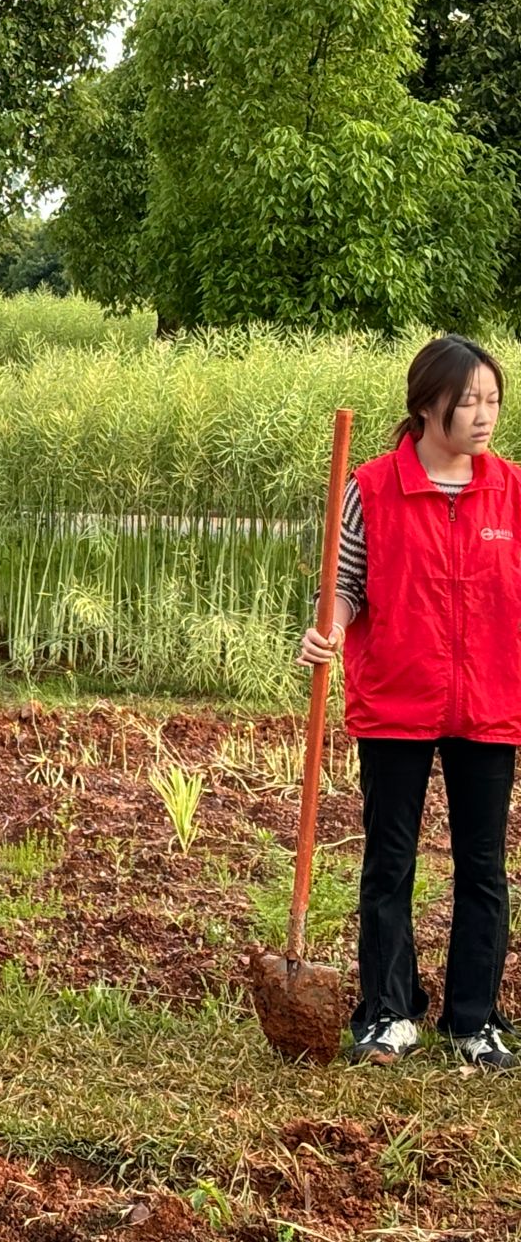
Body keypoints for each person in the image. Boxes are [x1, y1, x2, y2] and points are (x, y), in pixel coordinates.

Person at [299, 333, 519, 1070]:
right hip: (397, 699)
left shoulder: (513, 491)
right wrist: (328, 629)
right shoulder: (371, 487)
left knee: (483, 866)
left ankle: (475, 1020)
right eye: (469, 402)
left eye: (493, 401)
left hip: (490, 702)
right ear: (427, 405)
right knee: (389, 860)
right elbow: (345, 585)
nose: (485, 416)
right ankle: (388, 1012)